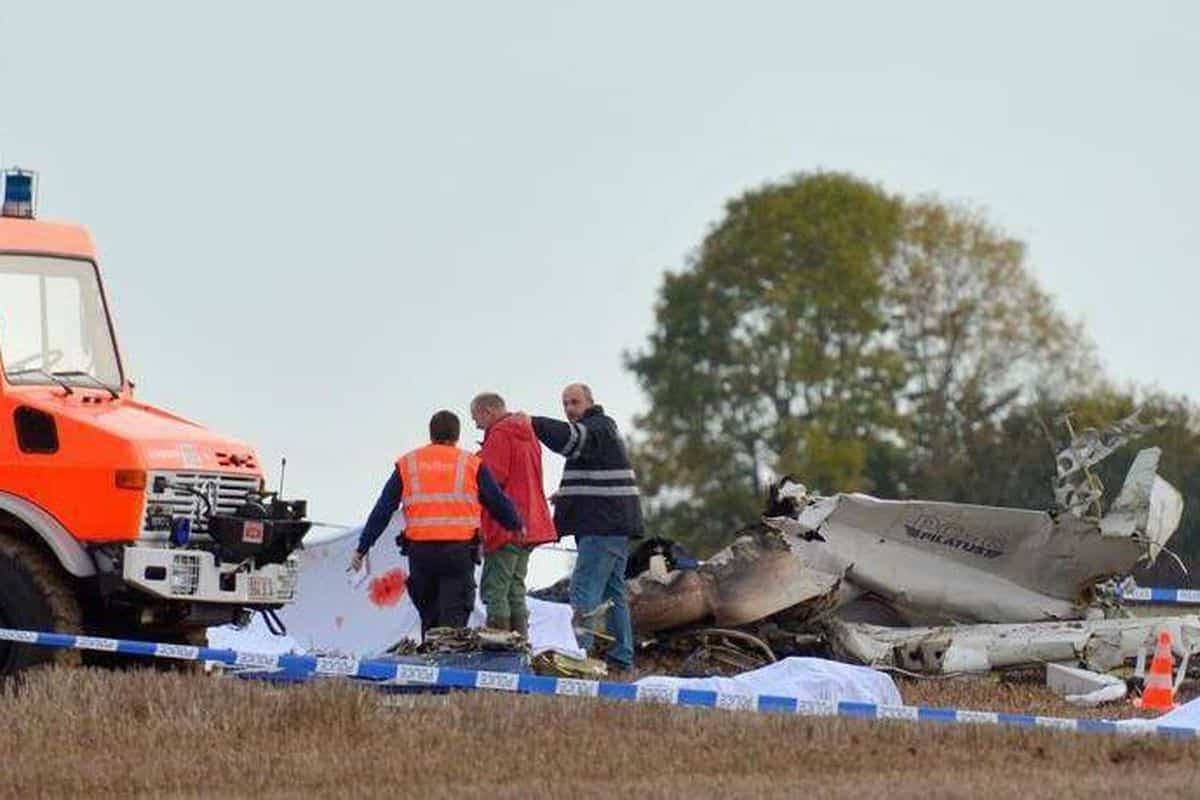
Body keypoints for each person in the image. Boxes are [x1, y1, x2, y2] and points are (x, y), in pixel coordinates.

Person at [350, 410, 522, 636]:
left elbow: (383, 509)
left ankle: (429, 665)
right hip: (458, 553)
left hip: (421, 555)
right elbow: (497, 501)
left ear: (431, 435)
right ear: (457, 436)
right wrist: (516, 525)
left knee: (429, 618)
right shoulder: (471, 464)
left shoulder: (408, 464)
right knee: (452, 624)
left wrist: (363, 547)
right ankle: (444, 664)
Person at [530, 383, 642, 674]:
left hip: (602, 526)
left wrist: (532, 423)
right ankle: (621, 658)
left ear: (590, 402)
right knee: (612, 593)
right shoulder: (601, 431)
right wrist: (567, 496)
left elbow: (570, 440)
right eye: (565, 403)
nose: (569, 409)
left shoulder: (596, 428)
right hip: (612, 525)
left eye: (574, 402)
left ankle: (579, 657)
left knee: (583, 589)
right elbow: (598, 479)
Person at [470, 392, 557, 636]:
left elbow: (492, 480)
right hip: (532, 521)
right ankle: (520, 646)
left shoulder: (499, 434)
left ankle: (500, 652)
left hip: (506, 523)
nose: (476, 425)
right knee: (515, 588)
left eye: (476, 418)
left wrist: (477, 463)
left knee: (496, 589)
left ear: (488, 411)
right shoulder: (529, 435)